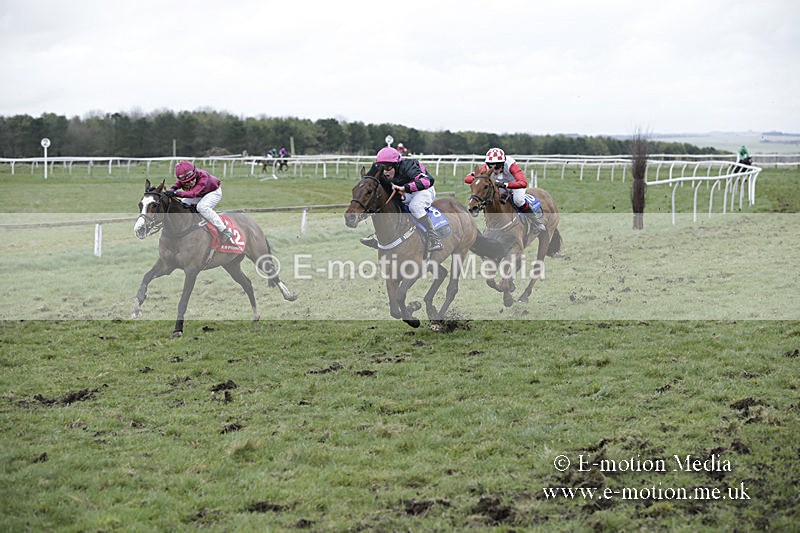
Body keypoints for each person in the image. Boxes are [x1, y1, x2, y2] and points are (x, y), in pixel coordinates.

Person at [360, 146, 443, 251]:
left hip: (424, 190)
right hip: (407, 192)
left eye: (388, 167)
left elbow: (427, 181)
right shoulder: (384, 172)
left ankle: (434, 239)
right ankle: (378, 236)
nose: (385, 172)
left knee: (415, 207)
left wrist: (404, 188)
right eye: (383, 168)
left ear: (397, 164)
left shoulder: (410, 165)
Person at [464, 147, 545, 233]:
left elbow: (523, 183)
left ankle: (536, 222)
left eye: (497, 166)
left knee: (518, 200)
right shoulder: (486, 168)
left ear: (503, 163)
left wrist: (506, 185)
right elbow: (467, 179)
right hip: (500, 185)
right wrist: (477, 178)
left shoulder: (511, 165)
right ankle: (491, 225)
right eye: (491, 166)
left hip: (515, 184)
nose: (494, 170)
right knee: (489, 197)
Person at [165, 160, 235, 244]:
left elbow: (193, 193)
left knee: (202, 207)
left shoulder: (203, 176)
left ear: (195, 174)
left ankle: (224, 231)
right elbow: (177, 184)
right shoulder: (185, 177)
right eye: (186, 182)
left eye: (192, 180)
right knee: (183, 204)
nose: (190, 183)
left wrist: (175, 193)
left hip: (213, 192)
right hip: (200, 194)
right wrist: (171, 190)